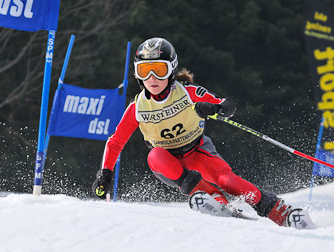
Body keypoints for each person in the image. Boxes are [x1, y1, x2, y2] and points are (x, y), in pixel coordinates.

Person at [92, 37, 313, 228]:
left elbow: (228, 105)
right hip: (168, 164)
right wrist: (105, 174)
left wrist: (213, 108)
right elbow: (115, 142)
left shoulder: (187, 92)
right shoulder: (137, 107)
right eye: (144, 70)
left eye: (158, 70)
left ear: (171, 69)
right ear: (137, 74)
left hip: (197, 151)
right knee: (155, 154)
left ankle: (279, 211)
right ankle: (214, 200)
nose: (152, 78)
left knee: (228, 181)